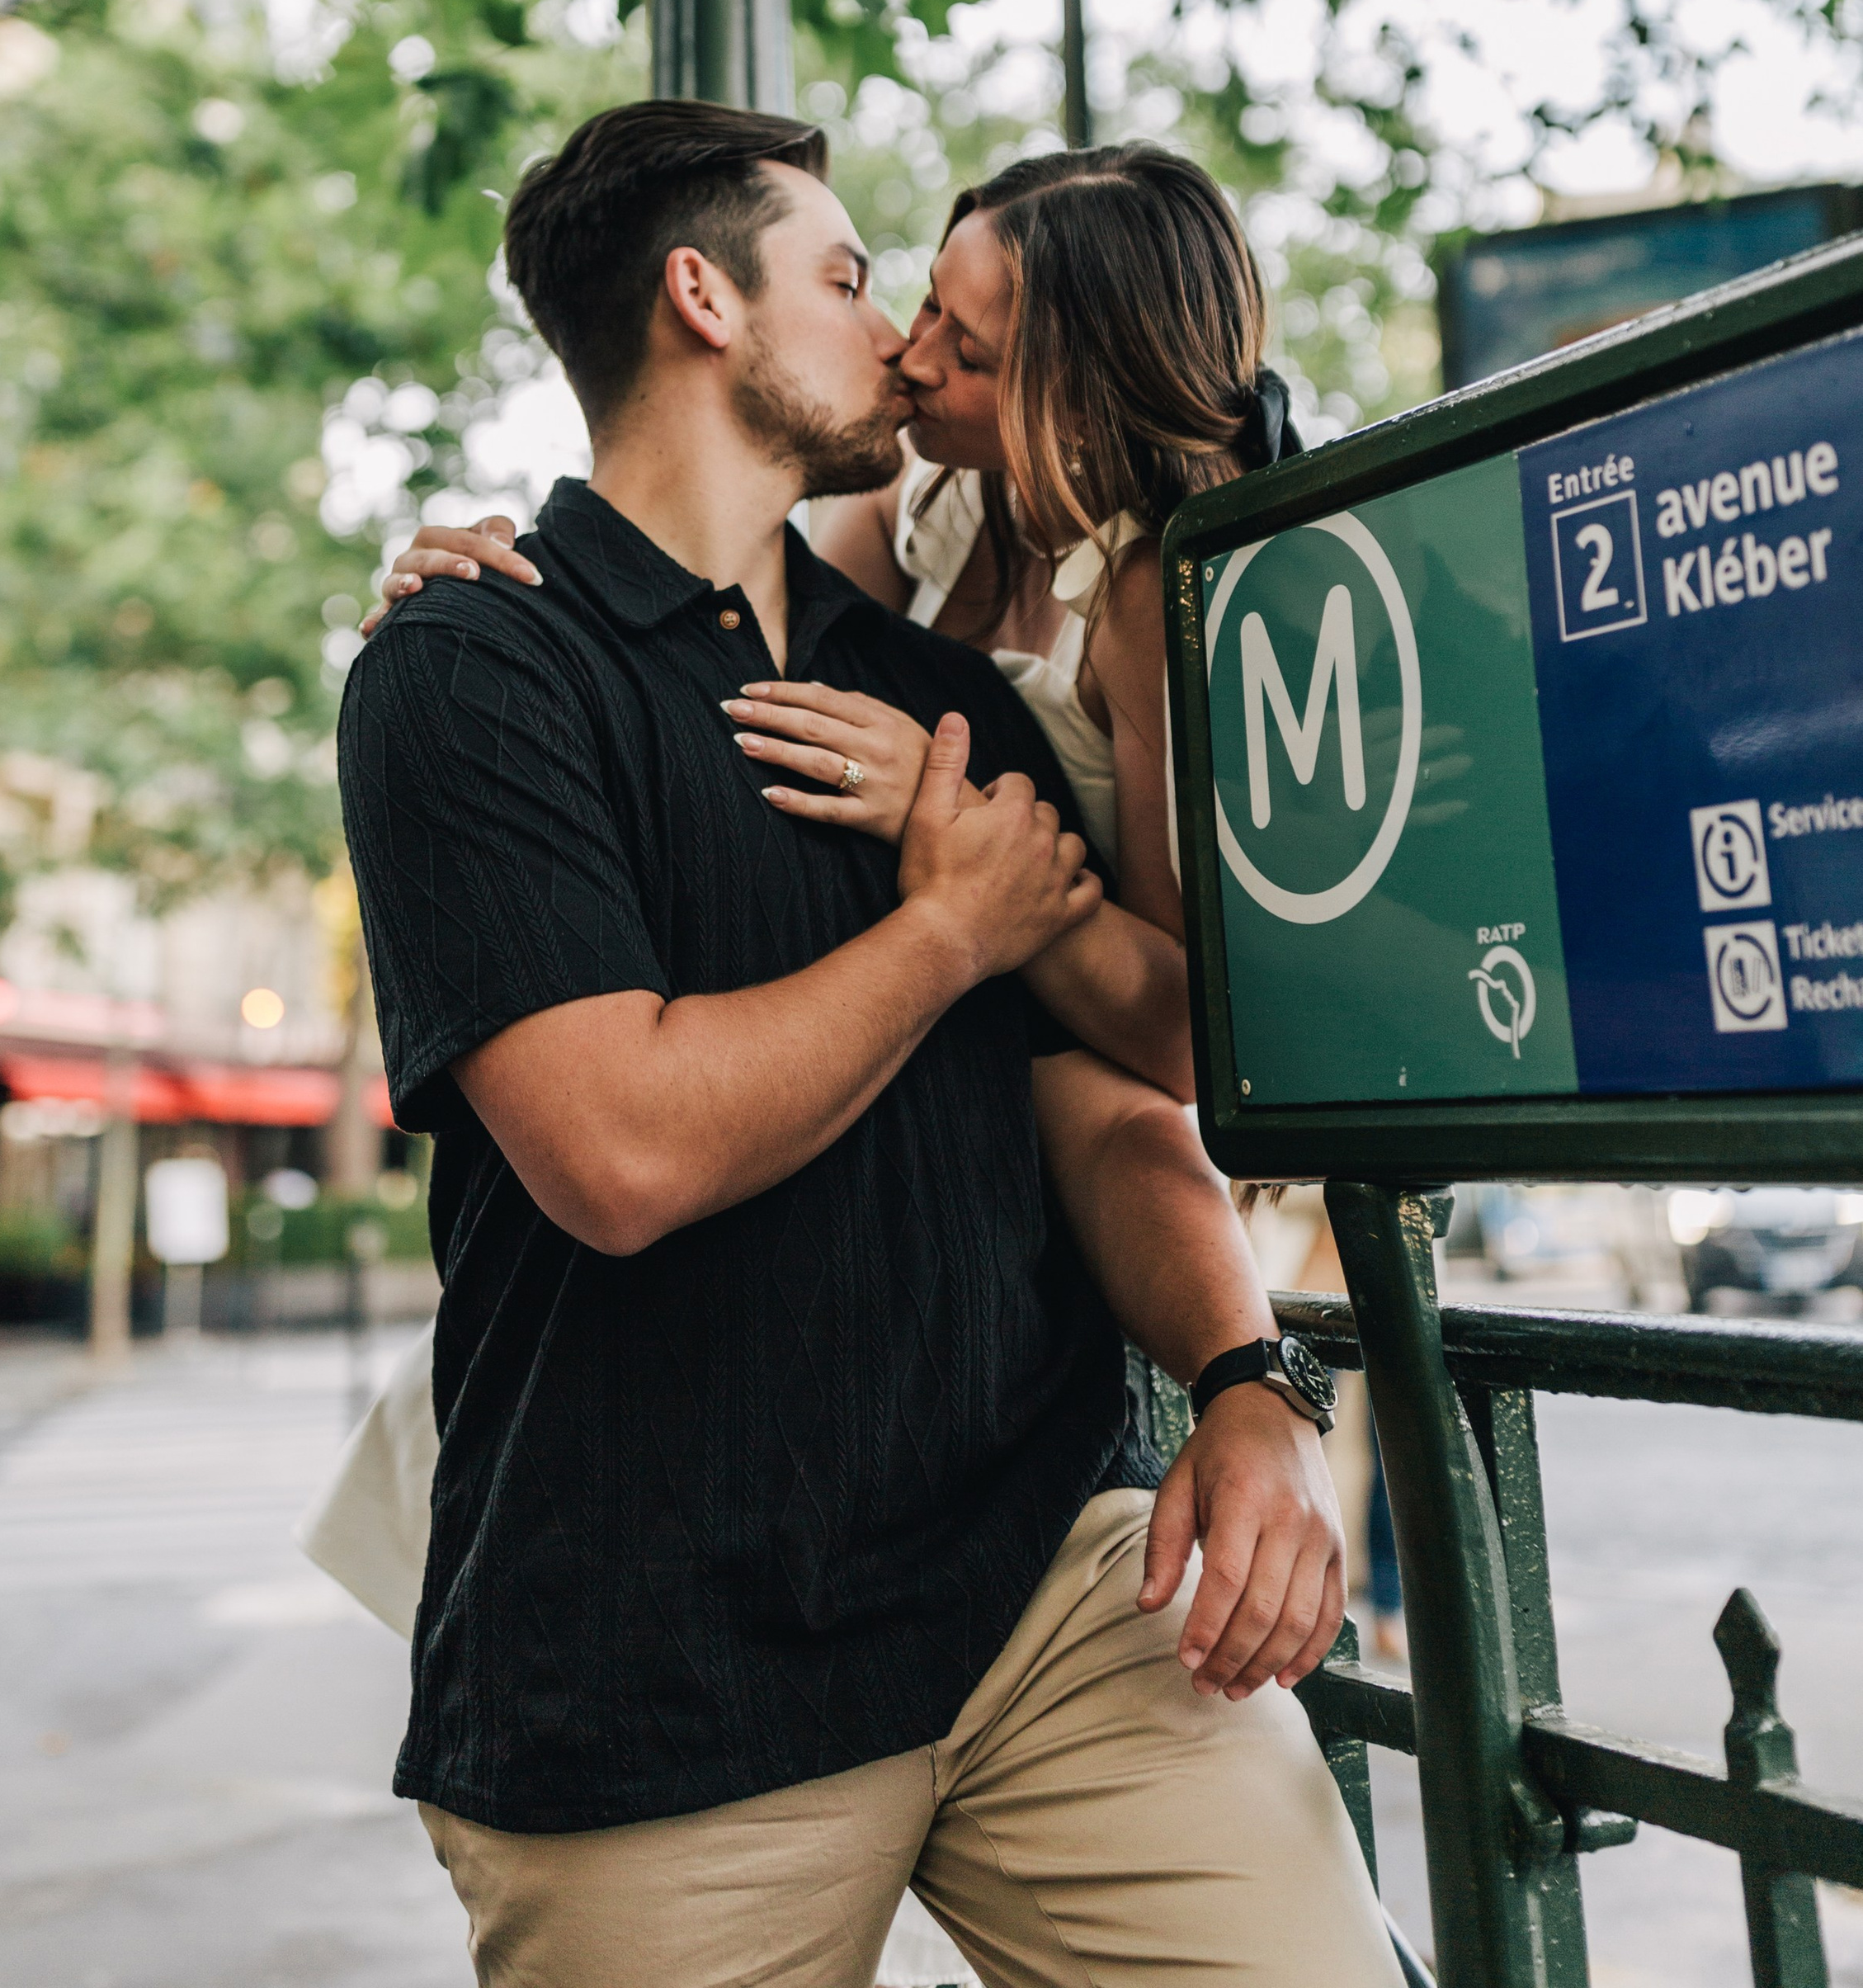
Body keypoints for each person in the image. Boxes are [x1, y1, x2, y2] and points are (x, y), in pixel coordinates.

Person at [336, 97, 1395, 1988]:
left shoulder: (935, 675)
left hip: (1046, 1581)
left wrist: (1246, 1371)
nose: (901, 340)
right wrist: (948, 928)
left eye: (950, 326)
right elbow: (622, 1151)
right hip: (658, 1647)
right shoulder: (474, 660)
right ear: (700, 299)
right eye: (852, 276)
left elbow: (1103, 1086)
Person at [374, 141, 1291, 1101]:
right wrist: (491, 590)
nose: (912, 351)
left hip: (1107, 1074)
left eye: (969, 353)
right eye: (926, 297)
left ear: (1078, 410)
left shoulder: (1149, 591)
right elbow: (713, 591)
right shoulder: (926, 506)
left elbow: (1195, 1043)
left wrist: (950, 830)